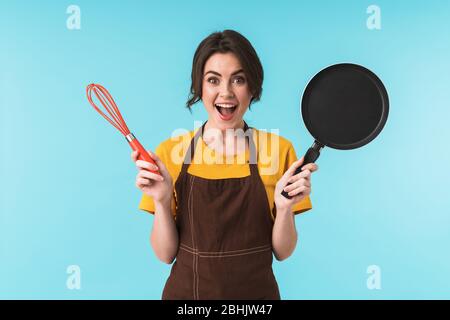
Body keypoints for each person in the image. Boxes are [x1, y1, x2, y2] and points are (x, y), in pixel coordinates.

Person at [131, 30, 318, 300]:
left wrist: (286, 208)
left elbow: (283, 252)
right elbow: (164, 254)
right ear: (200, 87)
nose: (226, 92)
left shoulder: (279, 150)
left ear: (252, 87)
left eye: (238, 80)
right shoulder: (171, 152)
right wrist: (160, 200)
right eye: (213, 80)